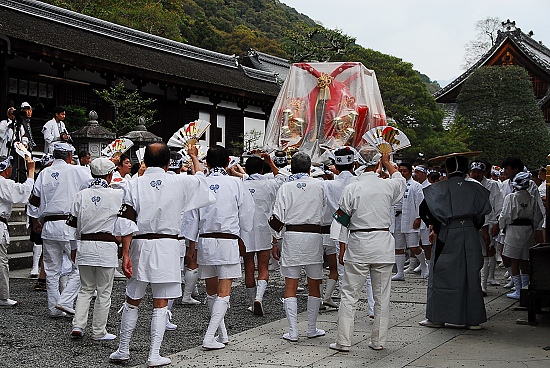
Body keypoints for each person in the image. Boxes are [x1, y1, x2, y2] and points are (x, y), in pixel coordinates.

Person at [109, 143, 214, 367]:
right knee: (161, 301)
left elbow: (126, 222)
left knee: (132, 298)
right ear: (168, 163)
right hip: (167, 246)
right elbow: (201, 180)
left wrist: (125, 254)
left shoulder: (133, 184)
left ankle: (123, 349)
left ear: (144, 161)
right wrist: (194, 157)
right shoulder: (179, 181)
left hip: (140, 244)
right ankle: (153, 354)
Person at [329, 151, 405, 352]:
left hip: (359, 242)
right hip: (382, 243)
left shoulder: (352, 188)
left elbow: (341, 220)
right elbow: (400, 180)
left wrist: (342, 248)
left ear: (357, 163)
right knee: (382, 296)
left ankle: (343, 341)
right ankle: (378, 341)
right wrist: (388, 163)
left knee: (349, 295)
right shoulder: (388, 185)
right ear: (378, 163)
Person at [181, 145, 255, 350]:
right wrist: (242, 233)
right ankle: (209, 336)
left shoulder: (201, 183)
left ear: (208, 162)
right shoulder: (235, 183)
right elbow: (247, 214)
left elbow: (191, 216)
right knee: (224, 291)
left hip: (205, 240)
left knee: (212, 292)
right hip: (227, 240)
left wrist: (191, 245)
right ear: (227, 161)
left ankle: (221, 334)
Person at [419, 154, 491, 329]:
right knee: (471, 274)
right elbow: (481, 216)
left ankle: (437, 318)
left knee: (442, 274)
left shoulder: (438, 188)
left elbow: (424, 210)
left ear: (448, 170)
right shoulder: (476, 188)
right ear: (466, 170)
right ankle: (473, 320)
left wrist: (434, 226)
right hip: (470, 232)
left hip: (448, 232)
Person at [27, 142, 92, 317]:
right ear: (70, 156)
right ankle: (66, 301)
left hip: (48, 225)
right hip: (69, 225)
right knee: (80, 266)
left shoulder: (44, 173)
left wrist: (35, 223)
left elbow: (33, 201)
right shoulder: (77, 171)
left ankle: (54, 307)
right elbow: (93, 186)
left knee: (51, 269)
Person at [270, 151, 326, 342]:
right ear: (310, 169)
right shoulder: (320, 185)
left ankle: (293, 331)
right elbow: (327, 210)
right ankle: (311, 328)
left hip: (292, 237)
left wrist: (275, 240)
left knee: (291, 285)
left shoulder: (286, 187)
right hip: (314, 237)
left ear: (291, 168)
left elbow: (276, 218)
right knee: (314, 284)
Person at [67, 157, 123, 340]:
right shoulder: (118, 195)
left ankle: (78, 325)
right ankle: (99, 331)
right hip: (106, 247)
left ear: (92, 174)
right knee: (104, 291)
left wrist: (73, 247)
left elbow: (71, 225)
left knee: (85, 289)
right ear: (110, 175)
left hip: (85, 245)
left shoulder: (81, 195)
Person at [239, 153, 283, 315]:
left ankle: (252, 302)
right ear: (263, 169)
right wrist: (270, 161)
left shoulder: (240, 184)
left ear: (246, 169)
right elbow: (282, 177)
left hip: (245, 229)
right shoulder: (270, 184)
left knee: (249, 266)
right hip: (265, 228)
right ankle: (259, 298)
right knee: (263, 266)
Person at [320, 147, 357, 309]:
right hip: (359, 226)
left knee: (342, 269)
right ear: (354, 164)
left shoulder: (328, 185)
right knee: (366, 271)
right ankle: (371, 307)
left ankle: (346, 305)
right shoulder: (359, 181)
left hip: (339, 225)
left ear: (336, 165)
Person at [498, 172, 543, 299]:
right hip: (527, 230)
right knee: (525, 260)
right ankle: (525, 288)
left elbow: (504, 216)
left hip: (513, 230)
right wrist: (532, 227)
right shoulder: (532, 199)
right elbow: (538, 216)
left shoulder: (511, 198)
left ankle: (518, 290)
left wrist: (502, 227)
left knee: (514, 260)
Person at [0, 155, 35, 307]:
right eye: (10, 167)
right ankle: (2, 296)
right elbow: (22, 193)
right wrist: (31, 172)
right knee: (1, 262)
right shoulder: (2, 183)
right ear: (6, 169)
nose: (12, 170)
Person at [468, 161, 503, 296]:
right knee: (473, 254)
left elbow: (497, 204)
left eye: (478, 171)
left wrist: (496, 223)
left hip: (489, 220)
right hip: (472, 223)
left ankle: (483, 285)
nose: (476, 174)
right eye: (473, 171)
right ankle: (474, 283)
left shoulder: (492, 185)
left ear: (484, 172)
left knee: (487, 251)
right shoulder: (468, 184)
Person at [391, 162, 428, 280]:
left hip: (410, 218)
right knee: (398, 246)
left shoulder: (415, 185)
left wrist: (419, 217)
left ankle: (424, 265)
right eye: (400, 171)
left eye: (405, 171)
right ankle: (400, 272)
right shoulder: (394, 184)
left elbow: (420, 203)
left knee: (413, 246)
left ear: (410, 172)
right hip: (396, 218)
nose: (402, 173)